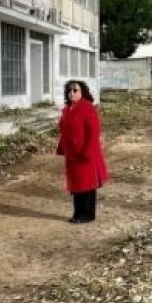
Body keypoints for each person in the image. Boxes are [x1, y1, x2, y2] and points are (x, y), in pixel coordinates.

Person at [56, 79, 108, 224]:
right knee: (76, 185)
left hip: (86, 154)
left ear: (82, 92)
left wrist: (88, 152)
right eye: (69, 90)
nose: (71, 93)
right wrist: (63, 147)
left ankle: (85, 215)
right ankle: (80, 213)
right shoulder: (67, 109)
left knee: (86, 185)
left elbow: (94, 133)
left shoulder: (88, 108)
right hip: (72, 154)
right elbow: (64, 130)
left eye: (75, 90)